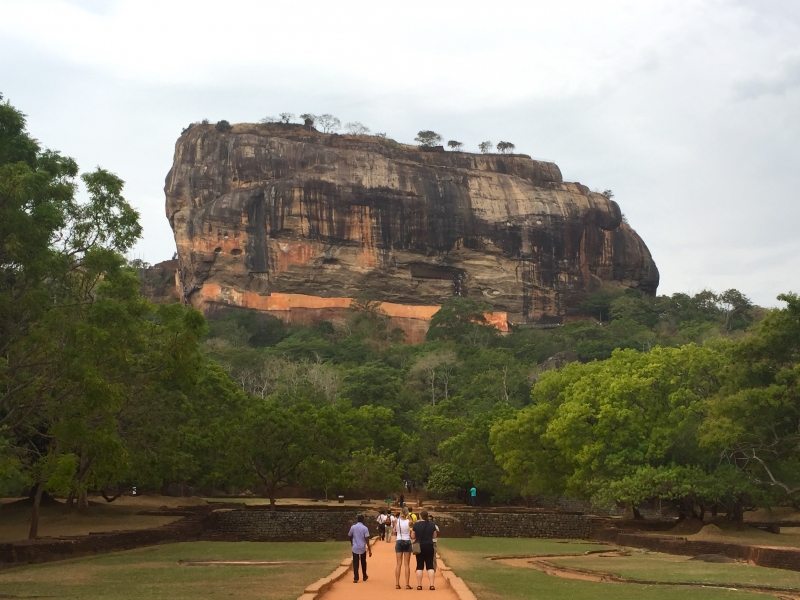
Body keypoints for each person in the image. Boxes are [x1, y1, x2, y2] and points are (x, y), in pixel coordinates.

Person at [411, 509, 437, 590]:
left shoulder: (416, 525)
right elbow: (434, 536)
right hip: (429, 545)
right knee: (430, 566)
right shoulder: (432, 525)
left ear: (420, 516)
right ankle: (432, 585)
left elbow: (412, 536)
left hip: (419, 546)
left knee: (419, 566)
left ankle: (419, 585)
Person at [348, 514, 371, 583]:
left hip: (355, 547)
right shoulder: (365, 528)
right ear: (363, 520)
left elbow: (349, 535)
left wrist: (352, 542)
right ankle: (364, 576)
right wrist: (369, 549)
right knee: (363, 562)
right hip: (362, 547)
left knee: (355, 562)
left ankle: (356, 577)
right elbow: (367, 539)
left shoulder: (353, 527)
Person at [394, 507, 413, 589]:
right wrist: (408, 515)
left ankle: (397, 583)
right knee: (407, 564)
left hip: (399, 540)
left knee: (398, 563)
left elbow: (394, 531)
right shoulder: (409, 522)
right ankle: (407, 584)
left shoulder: (396, 521)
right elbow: (411, 522)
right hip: (407, 540)